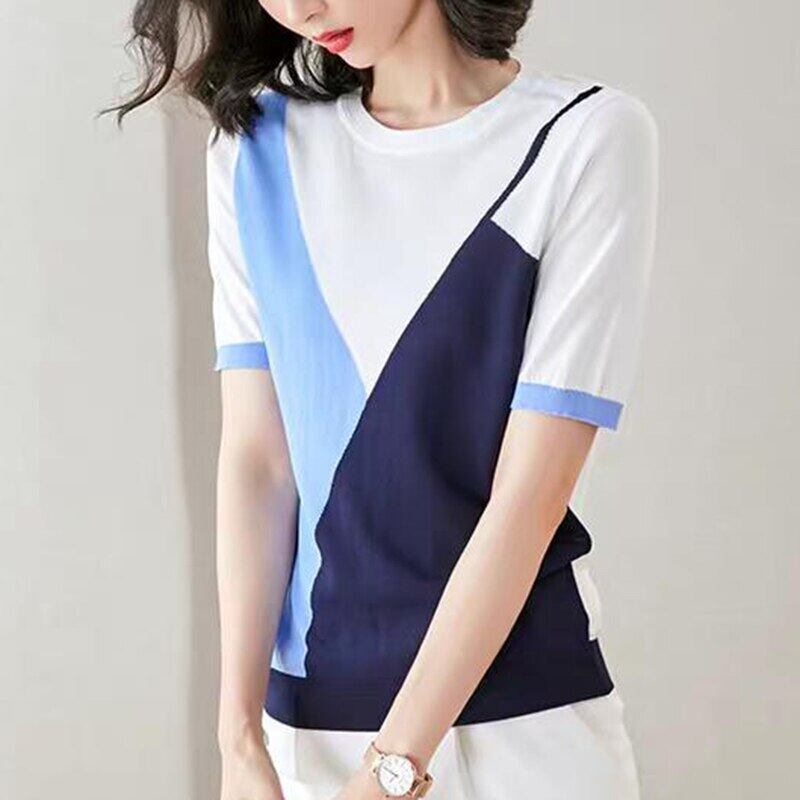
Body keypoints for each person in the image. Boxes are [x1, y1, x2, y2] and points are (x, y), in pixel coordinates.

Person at [107, 1, 659, 797]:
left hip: (525, 728)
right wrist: (239, 741)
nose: (301, 9)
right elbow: (260, 463)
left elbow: (530, 498)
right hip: (308, 730)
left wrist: (391, 769)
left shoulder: (583, 137)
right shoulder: (255, 148)